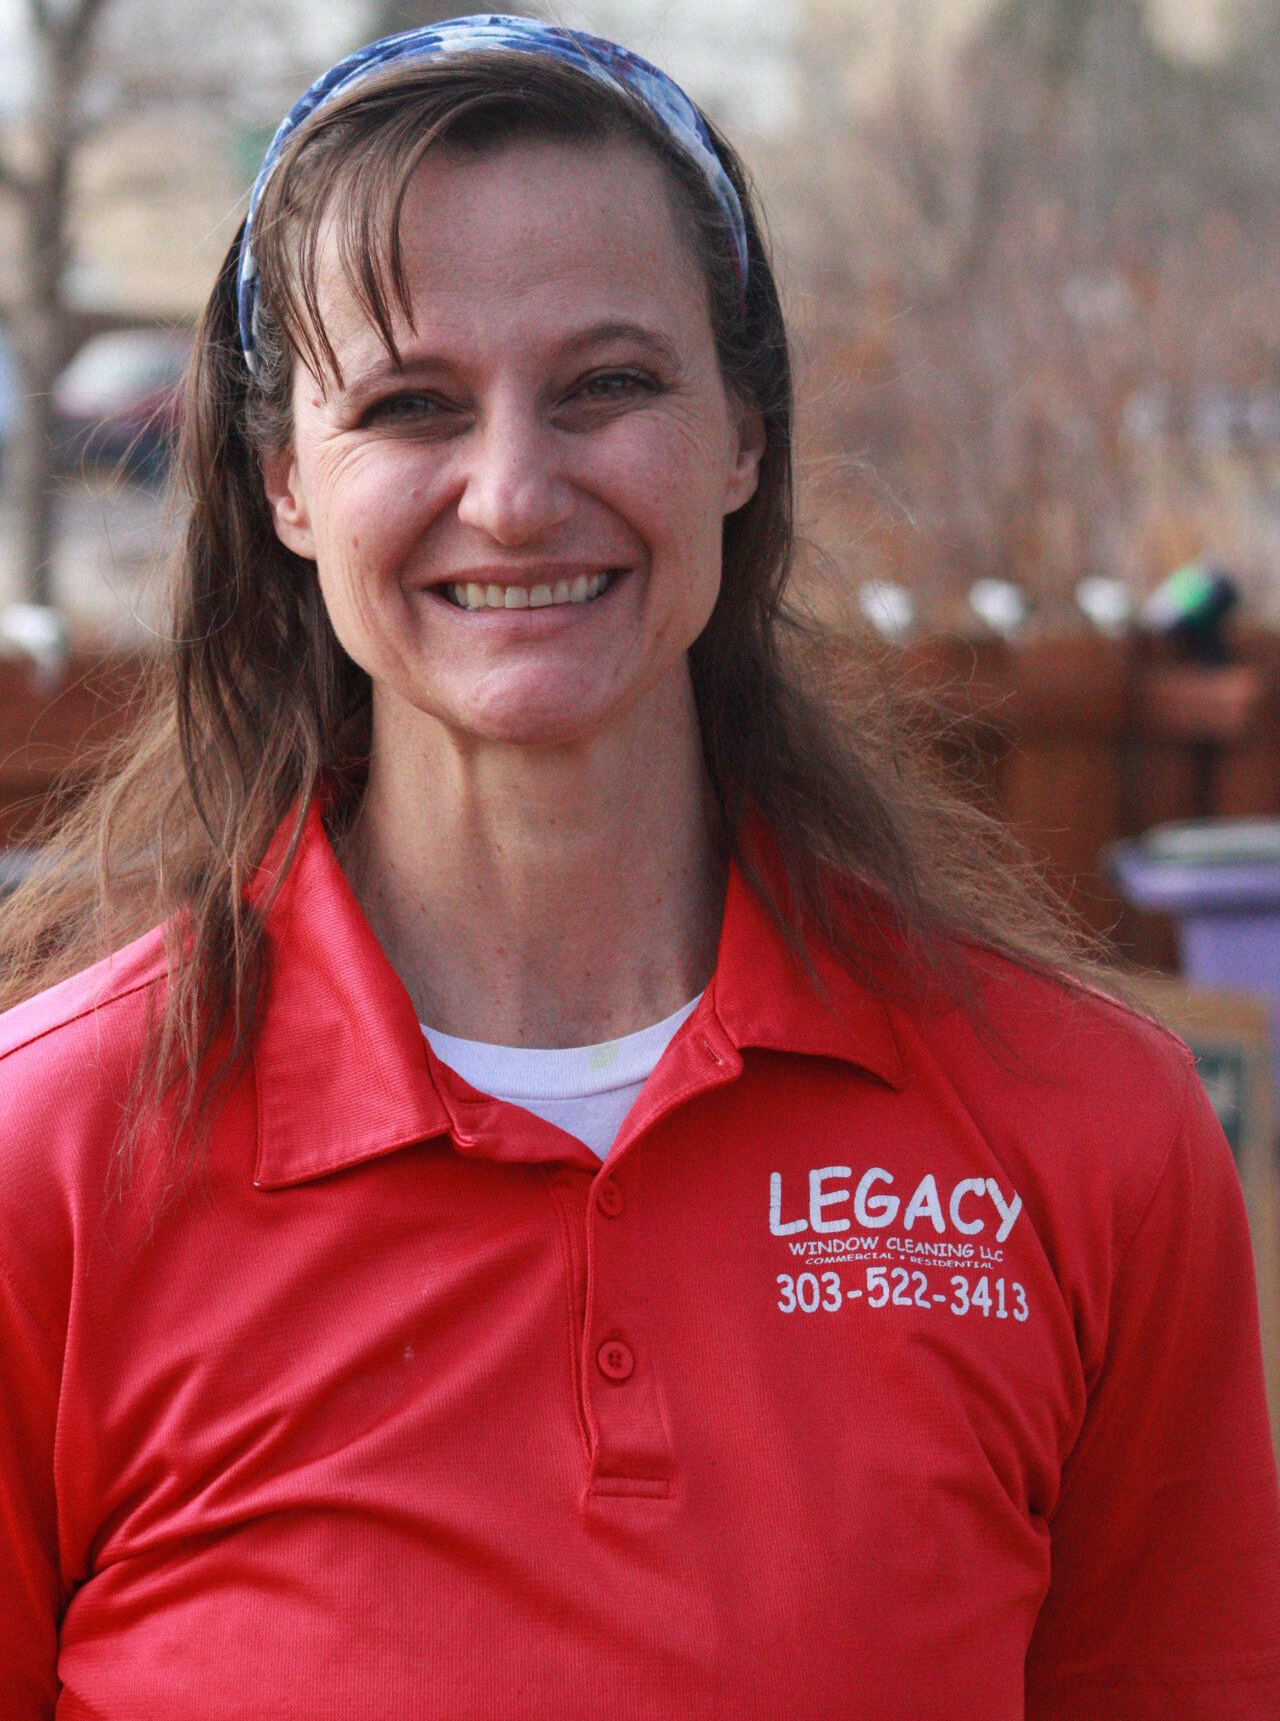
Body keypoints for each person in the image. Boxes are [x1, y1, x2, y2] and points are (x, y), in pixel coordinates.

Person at [0, 16, 1277, 1719]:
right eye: (409, 404)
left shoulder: (1089, 1132)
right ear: (286, 482)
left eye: (610, 384)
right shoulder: (50, 1167)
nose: (516, 494)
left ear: (745, 435)